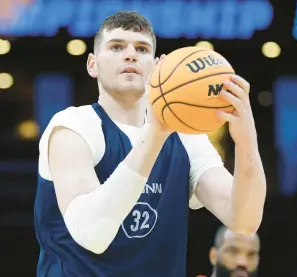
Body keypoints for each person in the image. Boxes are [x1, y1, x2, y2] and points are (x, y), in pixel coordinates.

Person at [34, 10, 266, 277]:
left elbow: (244, 219)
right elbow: (92, 234)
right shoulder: (72, 126)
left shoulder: (186, 137)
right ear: (92, 64)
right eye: (117, 46)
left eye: (142, 49)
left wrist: (246, 140)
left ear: (157, 66)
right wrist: (156, 132)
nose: (130, 54)